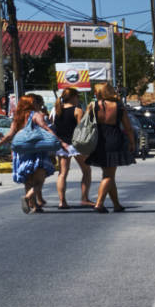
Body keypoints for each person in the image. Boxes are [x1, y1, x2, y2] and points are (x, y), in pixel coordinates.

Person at [0, 92, 56, 212]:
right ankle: (28, 197)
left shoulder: (17, 118)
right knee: (39, 179)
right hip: (37, 149)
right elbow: (45, 128)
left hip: (22, 152)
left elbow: (10, 135)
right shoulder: (36, 115)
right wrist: (58, 142)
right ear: (31, 103)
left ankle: (34, 206)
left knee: (28, 180)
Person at [85, 82, 137, 212]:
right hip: (114, 140)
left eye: (96, 91)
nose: (94, 93)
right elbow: (128, 127)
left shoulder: (92, 106)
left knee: (108, 173)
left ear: (100, 93)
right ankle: (99, 203)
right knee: (109, 175)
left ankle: (116, 205)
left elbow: (85, 124)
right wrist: (132, 142)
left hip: (98, 141)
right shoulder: (119, 106)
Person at [50, 85, 95, 208]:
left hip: (62, 145)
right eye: (77, 97)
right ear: (74, 97)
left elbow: (55, 127)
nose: (78, 99)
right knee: (86, 170)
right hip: (75, 144)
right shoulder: (77, 110)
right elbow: (82, 128)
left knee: (62, 173)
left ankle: (62, 201)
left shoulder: (57, 110)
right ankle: (84, 198)